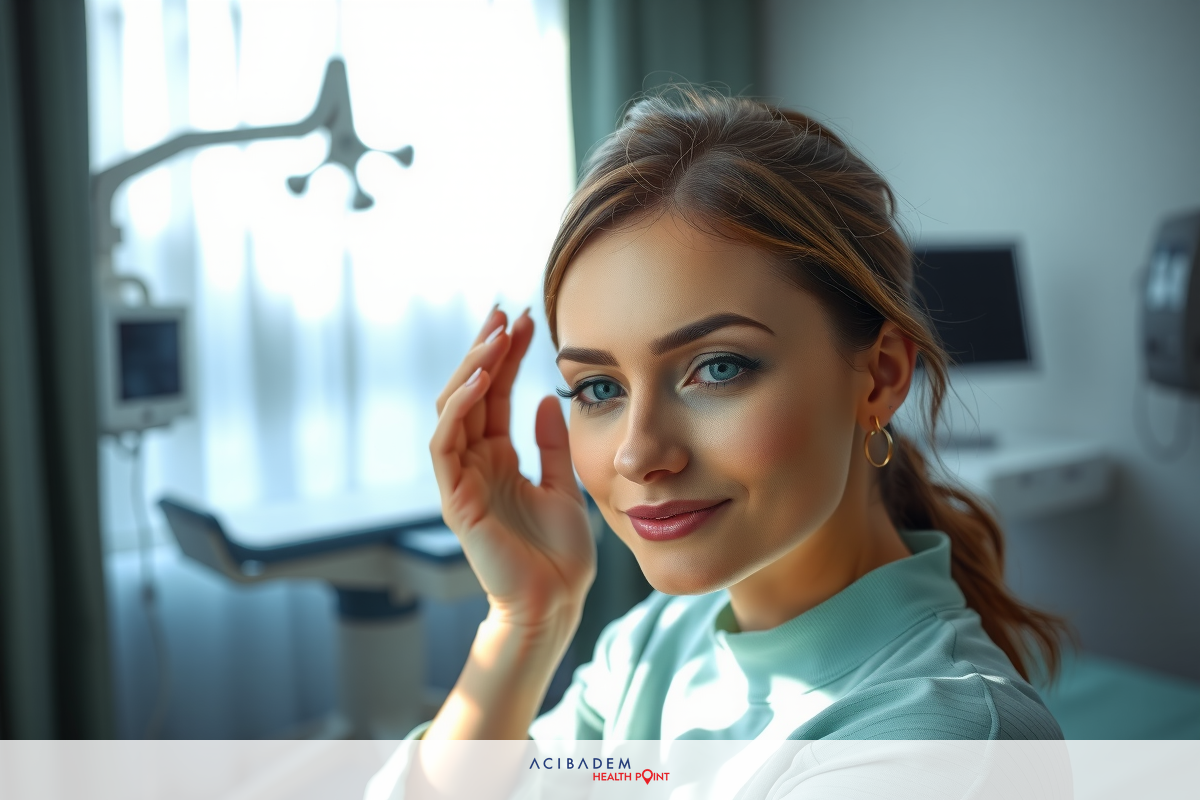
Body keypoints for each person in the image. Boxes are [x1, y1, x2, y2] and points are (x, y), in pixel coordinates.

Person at [421, 89, 1069, 751]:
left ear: (881, 377)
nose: (637, 454)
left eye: (719, 368)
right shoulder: (653, 646)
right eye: (598, 388)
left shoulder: (940, 741)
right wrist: (529, 618)